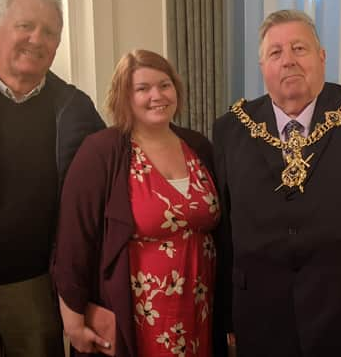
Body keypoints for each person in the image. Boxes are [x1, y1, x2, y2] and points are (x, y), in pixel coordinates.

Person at [212, 9, 341, 357]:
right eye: (276, 52)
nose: (288, 60)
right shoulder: (231, 128)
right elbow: (226, 229)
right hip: (260, 313)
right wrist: (227, 315)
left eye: (299, 48)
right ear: (263, 67)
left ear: (321, 56)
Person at [0, 0, 104, 357]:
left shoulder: (75, 108)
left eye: (50, 31)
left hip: (36, 290)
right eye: (25, 25)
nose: (37, 39)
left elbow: (105, 193)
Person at [52, 49, 221, 357]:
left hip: (200, 306)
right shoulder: (102, 151)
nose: (157, 95)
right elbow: (72, 241)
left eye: (164, 85)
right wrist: (73, 321)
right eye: (142, 88)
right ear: (124, 97)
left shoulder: (199, 146)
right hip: (136, 315)